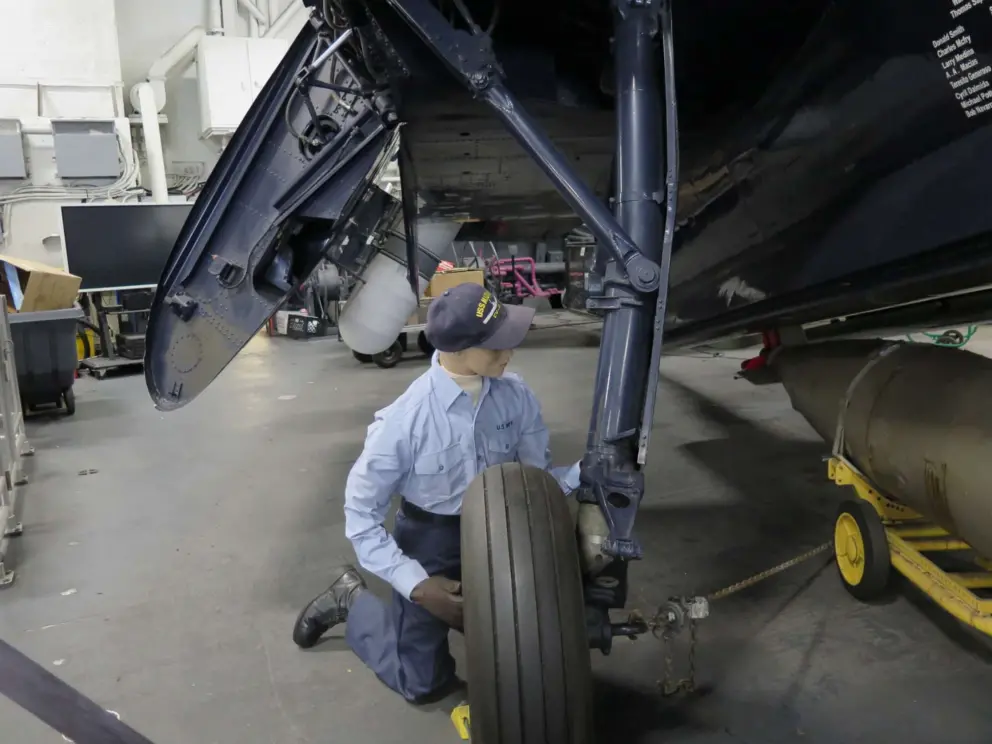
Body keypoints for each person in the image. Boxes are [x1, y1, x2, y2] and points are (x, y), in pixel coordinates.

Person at [292, 282, 581, 703]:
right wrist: (418, 584)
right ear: (460, 350)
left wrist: (582, 474)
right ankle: (351, 600)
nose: (510, 353)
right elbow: (360, 517)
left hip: (502, 525)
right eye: (497, 346)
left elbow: (533, 479)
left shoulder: (516, 397)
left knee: (530, 649)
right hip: (431, 541)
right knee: (422, 683)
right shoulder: (403, 424)